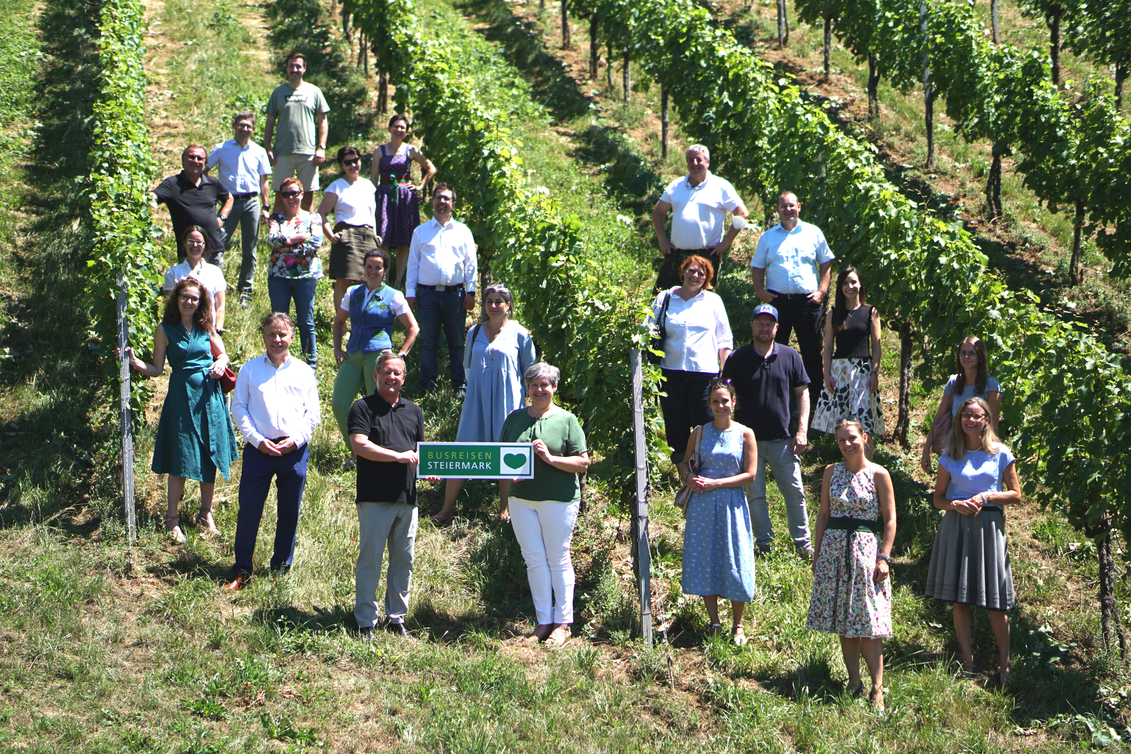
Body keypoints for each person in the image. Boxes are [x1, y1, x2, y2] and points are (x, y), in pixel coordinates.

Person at [126, 278, 238, 543]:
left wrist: (221, 363)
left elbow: (223, 354)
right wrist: (135, 363)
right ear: (176, 299)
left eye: (194, 298)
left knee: (209, 454)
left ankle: (205, 514)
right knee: (180, 456)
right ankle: (172, 520)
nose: (189, 302)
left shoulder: (206, 326)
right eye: (185, 297)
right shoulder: (164, 329)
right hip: (180, 397)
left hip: (208, 397)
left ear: (201, 303)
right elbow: (156, 368)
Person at [925, 397, 1020, 686]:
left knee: (996, 602)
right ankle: (968, 662)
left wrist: (987, 496)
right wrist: (955, 505)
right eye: (966, 415)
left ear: (987, 420)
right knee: (960, 598)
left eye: (977, 416)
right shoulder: (950, 455)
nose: (971, 420)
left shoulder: (1001, 453)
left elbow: (1016, 494)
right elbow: (937, 499)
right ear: (959, 419)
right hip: (957, 526)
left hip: (989, 528)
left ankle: (1005, 666)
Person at [225, 313, 321, 590]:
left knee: (289, 511)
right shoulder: (250, 370)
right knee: (249, 510)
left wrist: (296, 440)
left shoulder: (304, 371)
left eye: (282, 334)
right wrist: (256, 440)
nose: (277, 339)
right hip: (259, 451)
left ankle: (280, 568)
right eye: (271, 334)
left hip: (294, 450)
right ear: (263, 336)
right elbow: (239, 408)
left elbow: (312, 413)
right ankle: (241, 569)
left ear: (292, 337)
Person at [807, 419, 897, 711]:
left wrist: (884, 557)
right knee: (845, 620)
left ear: (864, 438)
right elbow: (823, 514)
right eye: (841, 440)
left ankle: (877, 689)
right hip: (834, 552)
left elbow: (890, 519)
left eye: (852, 438)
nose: (847, 445)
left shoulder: (878, 474)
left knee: (869, 622)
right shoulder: (831, 472)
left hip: (866, 554)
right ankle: (853, 681)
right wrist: (818, 554)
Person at [499, 363, 589, 646]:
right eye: (534, 385)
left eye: (545, 385)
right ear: (527, 389)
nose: (539, 390)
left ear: (554, 388)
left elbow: (582, 462)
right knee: (533, 559)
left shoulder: (567, 420)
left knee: (557, 557)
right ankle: (543, 622)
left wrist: (551, 459)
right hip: (521, 500)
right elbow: (502, 459)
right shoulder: (514, 419)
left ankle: (563, 624)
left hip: (558, 498)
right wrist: (504, 500)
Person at [432, 283, 537, 524]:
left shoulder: (521, 333)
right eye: (489, 301)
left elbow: (529, 372)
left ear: (508, 305)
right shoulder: (475, 332)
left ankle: (505, 509)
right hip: (476, 399)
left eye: (499, 301)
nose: (493, 306)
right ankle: (447, 508)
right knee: (463, 447)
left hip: (507, 399)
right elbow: (467, 367)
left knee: (506, 449)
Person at [721, 303, 813, 558]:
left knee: (795, 494)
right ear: (752, 326)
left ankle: (803, 546)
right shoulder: (737, 358)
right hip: (747, 442)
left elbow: (802, 392)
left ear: (777, 328)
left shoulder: (790, 356)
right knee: (756, 496)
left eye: (769, 323)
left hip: (784, 440)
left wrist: (802, 430)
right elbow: (724, 396)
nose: (764, 328)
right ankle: (764, 546)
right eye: (759, 323)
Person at [348, 351, 425, 639]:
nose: (392, 377)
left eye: (398, 373)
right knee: (371, 559)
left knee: (403, 560)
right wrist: (398, 456)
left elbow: (420, 453)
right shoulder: (362, 407)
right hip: (374, 497)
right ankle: (366, 620)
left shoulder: (413, 411)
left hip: (407, 499)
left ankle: (396, 617)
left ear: (404, 378)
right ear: (376, 375)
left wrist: (429, 469)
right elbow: (359, 445)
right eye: (387, 372)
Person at [680, 379, 758, 644]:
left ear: (733, 403)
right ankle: (714, 621)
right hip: (702, 505)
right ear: (709, 404)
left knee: (735, 560)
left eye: (725, 400)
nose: (720, 405)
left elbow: (750, 474)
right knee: (706, 559)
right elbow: (684, 464)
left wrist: (716, 483)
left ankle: (738, 624)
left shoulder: (745, 433)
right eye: (715, 401)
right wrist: (690, 478)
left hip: (731, 504)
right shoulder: (699, 432)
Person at [332, 249, 419, 465]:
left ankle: (379, 454)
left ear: (385, 271)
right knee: (339, 405)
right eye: (369, 266)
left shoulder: (393, 295)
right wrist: (336, 348)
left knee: (378, 407)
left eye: (378, 267)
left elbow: (413, 328)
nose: (372, 271)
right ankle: (356, 451)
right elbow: (338, 322)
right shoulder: (353, 292)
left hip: (378, 356)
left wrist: (401, 354)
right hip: (353, 354)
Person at [750, 191, 834, 404]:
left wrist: (822, 291)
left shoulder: (813, 233)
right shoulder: (768, 237)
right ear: (777, 210)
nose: (788, 210)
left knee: (812, 352)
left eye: (791, 206)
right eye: (783, 206)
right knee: (773, 350)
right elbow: (757, 266)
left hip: (808, 302)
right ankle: (774, 398)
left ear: (799, 207)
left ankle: (816, 401)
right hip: (777, 303)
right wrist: (760, 292)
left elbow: (826, 262)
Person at [649, 255, 733, 468]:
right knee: (675, 423)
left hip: (704, 373)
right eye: (692, 271)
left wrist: (726, 371)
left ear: (707, 278)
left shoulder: (713, 301)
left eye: (701, 273)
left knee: (705, 422)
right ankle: (682, 472)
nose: (696, 276)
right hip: (670, 372)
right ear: (683, 271)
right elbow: (647, 329)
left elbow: (724, 340)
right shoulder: (665, 298)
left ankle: (706, 467)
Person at [405, 183, 477, 393]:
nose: (442, 202)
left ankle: (459, 386)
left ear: (453, 204)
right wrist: (410, 293)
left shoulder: (463, 232)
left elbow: (470, 264)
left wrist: (471, 292)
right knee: (428, 342)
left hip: (455, 295)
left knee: (456, 342)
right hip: (426, 295)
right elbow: (413, 264)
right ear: (433, 201)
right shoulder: (421, 232)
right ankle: (428, 386)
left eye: (446, 198)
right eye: (438, 198)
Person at [651, 144, 749, 291]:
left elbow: (742, 213)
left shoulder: (720, 186)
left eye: (699, 160)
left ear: (708, 162)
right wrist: (662, 239)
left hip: (706, 256)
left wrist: (727, 242)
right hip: (676, 255)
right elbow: (658, 212)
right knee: (662, 299)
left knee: (702, 305)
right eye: (691, 160)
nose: (695, 164)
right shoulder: (676, 185)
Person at [811, 267, 884, 458]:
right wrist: (827, 373)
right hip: (839, 371)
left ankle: (866, 468)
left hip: (863, 372)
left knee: (864, 424)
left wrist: (875, 372)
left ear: (860, 285)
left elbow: (877, 346)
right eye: (845, 283)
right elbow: (827, 347)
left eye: (853, 282)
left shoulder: (871, 312)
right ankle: (847, 467)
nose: (849, 286)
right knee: (842, 424)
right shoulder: (832, 314)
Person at [207, 111, 272, 305]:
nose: (245, 129)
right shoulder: (221, 148)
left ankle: (245, 289)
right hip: (229, 201)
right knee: (218, 243)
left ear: (253, 129)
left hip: (252, 201)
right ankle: (213, 286)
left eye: (248, 126)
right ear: (234, 125)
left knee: (249, 248)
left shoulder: (259, 151)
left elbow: (264, 181)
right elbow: (205, 170)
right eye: (241, 125)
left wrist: (266, 206)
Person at [919, 335, 1003, 474]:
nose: (966, 357)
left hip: (980, 448)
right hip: (954, 447)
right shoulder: (953, 383)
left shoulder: (991, 385)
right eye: (963, 353)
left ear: (980, 356)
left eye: (971, 353)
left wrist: (991, 456)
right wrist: (926, 449)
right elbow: (938, 418)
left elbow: (993, 425)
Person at [372, 114, 437, 287]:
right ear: (389, 128)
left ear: (407, 131)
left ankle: (399, 281)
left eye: (402, 127)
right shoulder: (380, 151)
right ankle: (383, 280)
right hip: (385, 197)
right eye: (396, 126)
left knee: (404, 242)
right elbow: (373, 179)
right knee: (383, 239)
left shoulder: (411, 150)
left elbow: (431, 168)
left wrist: (421, 186)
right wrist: (371, 200)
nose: (399, 130)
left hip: (405, 198)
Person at [267, 177, 323, 368]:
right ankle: (278, 361)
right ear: (281, 197)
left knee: (306, 322)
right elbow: (273, 241)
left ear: (302, 194)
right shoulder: (275, 218)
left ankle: (310, 365)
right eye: (286, 194)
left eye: (294, 193)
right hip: (278, 277)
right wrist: (300, 237)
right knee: (279, 322)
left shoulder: (314, 218)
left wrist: (285, 244)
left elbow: (315, 243)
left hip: (305, 277)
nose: (291, 197)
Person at [264, 52, 329, 213]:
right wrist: (268, 147)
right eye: (291, 66)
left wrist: (321, 147)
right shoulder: (278, 92)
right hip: (282, 153)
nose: (295, 69)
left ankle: (308, 236)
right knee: (281, 196)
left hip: (308, 153)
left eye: (298, 66)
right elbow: (270, 121)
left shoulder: (314, 91)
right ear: (286, 68)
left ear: (304, 69)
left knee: (306, 197)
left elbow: (323, 121)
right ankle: (277, 236)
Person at [319, 146, 380, 314]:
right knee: (344, 281)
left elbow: (372, 213)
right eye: (348, 163)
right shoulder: (336, 186)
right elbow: (322, 214)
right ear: (342, 165)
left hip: (368, 235)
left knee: (369, 279)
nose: (353, 165)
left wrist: (376, 235)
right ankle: (342, 323)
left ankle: (363, 320)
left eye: (356, 160)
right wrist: (330, 235)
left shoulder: (369, 186)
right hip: (347, 234)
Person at [153, 145, 232, 264]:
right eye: (192, 157)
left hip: (213, 249)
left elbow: (229, 198)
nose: (196, 161)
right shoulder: (172, 184)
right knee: (189, 283)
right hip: (188, 252)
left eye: (200, 159)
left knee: (213, 283)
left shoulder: (212, 183)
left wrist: (222, 218)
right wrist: (146, 198)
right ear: (183, 159)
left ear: (205, 162)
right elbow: (154, 196)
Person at [163, 226, 227, 332]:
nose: (195, 245)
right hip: (180, 331)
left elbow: (220, 306)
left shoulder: (215, 272)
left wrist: (218, 329)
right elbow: (170, 307)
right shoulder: (173, 273)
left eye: (198, 242)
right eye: (191, 241)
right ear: (183, 243)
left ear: (204, 244)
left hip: (208, 330)